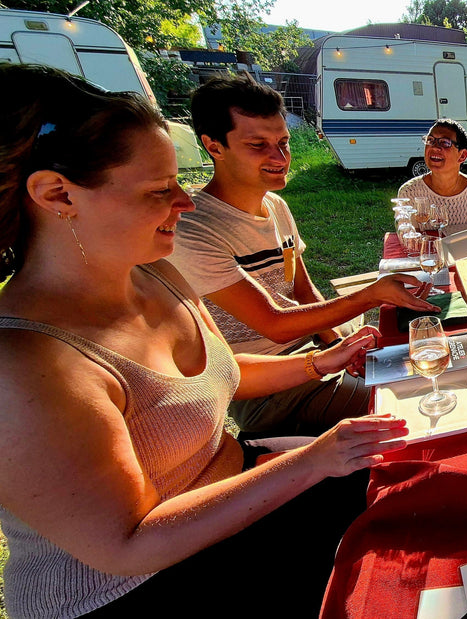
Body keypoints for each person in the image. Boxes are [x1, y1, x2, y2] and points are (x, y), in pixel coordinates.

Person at [0, 64, 409, 617]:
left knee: (414, 477)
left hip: (236, 480)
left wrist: (321, 361)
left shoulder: (154, 272)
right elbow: (128, 545)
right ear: (57, 194)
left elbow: (224, 370)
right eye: (159, 189)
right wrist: (313, 460)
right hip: (135, 584)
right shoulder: (26, 363)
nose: (185, 202)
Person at [167, 74, 437, 439]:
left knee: (437, 359)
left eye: (283, 142)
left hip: (316, 353)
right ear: (214, 146)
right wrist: (371, 295)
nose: (279, 158)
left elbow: (305, 293)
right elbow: (275, 324)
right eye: (258, 145)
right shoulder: (194, 228)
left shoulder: (275, 206)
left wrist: (340, 344)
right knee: (415, 397)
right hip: (265, 386)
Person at [397, 118, 467, 233]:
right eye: (430, 140)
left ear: (462, 156)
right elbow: (407, 240)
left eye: (444, 142)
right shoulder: (409, 192)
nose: (434, 147)